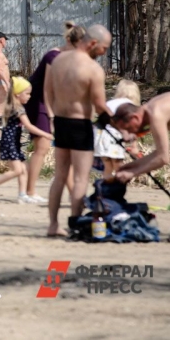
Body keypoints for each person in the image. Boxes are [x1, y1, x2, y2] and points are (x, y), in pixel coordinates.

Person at [45, 24, 112, 237]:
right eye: (104, 48)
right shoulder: (93, 69)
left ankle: (53, 225)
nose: (104, 53)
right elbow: (100, 104)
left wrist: (52, 116)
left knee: (60, 176)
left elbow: (49, 92)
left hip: (61, 122)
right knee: (81, 178)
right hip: (80, 125)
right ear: (92, 43)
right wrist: (115, 119)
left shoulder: (58, 60)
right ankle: (74, 223)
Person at [23, 21, 81, 203]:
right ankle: (29, 193)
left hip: (54, 104)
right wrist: (52, 116)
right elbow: (47, 90)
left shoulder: (71, 59)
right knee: (42, 146)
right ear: (72, 42)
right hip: (37, 101)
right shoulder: (53, 57)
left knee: (64, 150)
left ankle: (75, 197)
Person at [0, 77, 54, 204]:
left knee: (24, 169)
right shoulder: (18, 109)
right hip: (10, 143)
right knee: (17, 170)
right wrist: (46, 134)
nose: (29, 96)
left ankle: (22, 195)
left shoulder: (13, 106)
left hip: (13, 143)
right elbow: (29, 126)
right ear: (18, 94)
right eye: (27, 93)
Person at [112, 93, 170, 182]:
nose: (129, 134)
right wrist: (132, 166)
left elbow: (163, 157)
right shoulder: (152, 106)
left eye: (128, 129)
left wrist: (131, 173)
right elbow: (159, 154)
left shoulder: (156, 114)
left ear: (134, 117)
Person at [93, 80, 141, 178]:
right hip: (113, 138)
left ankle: (106, 188)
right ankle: (118, 189)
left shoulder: (110, 103)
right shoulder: (130, 107)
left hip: (100, 136)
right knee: (118, 167)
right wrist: (134, 147)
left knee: (108, 167)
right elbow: (132, 128)